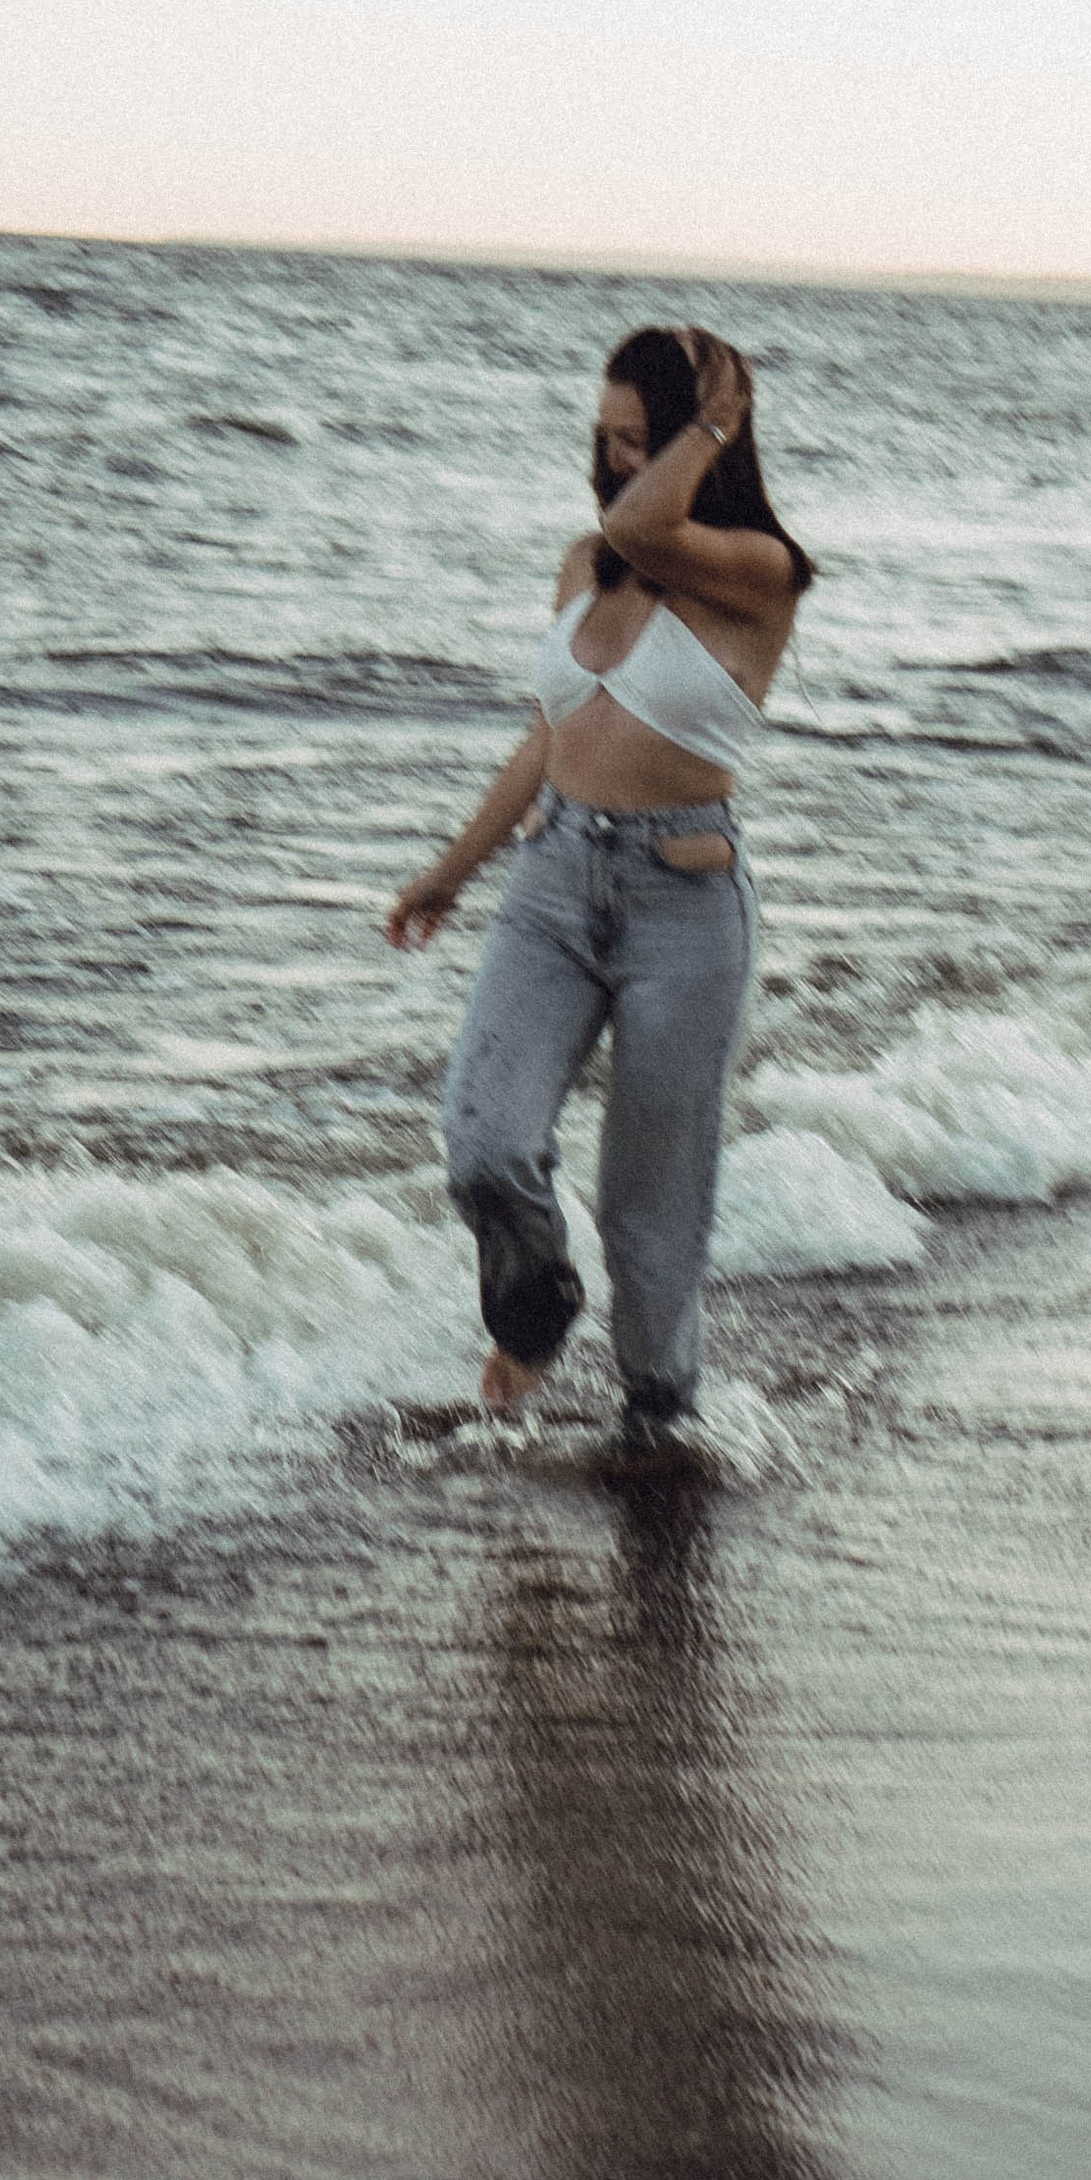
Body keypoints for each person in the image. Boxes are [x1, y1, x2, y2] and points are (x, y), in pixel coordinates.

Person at [384, 324, 814, 1451]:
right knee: (483, 1137)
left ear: (697, 443)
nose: (615, 462)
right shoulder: (586, 566)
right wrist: (451, 869)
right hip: (553, 884)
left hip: (686, 906)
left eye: (641, 439)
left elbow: (645, 525)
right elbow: (550, 733)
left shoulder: (764, 574)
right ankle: (534, 1310)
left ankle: (660, 1425)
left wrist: (723, 417)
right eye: (604, 438)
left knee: (650, 1216)